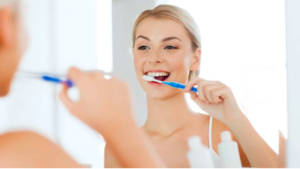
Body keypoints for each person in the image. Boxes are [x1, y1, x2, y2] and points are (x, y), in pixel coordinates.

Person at [105, 4, 278, 168]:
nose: (154, 58)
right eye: (144, 47)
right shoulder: (116, 148)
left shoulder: (222, 133)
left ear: (195, 59)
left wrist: (236, 119)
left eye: (170, 47)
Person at [0, 0, 163, 167]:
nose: (155, 58)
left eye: (170, 46)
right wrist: (123, 129)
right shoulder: (20, 155)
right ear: (5, 26)